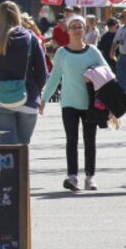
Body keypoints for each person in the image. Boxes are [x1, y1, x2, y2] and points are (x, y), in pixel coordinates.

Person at [41, 15, 109, 191]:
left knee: (89, 140)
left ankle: (90, 176)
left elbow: (107, 73)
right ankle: (72, 176)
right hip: (69, 102)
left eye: (80, 27)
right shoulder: (62, 53)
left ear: (85, 29)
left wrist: (93, 74)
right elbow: (55, 77)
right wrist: (44, 99)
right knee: (71, 139)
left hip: (89, 103)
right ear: (68, 30)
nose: (77, 30)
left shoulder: (93, 51)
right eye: (74, 27)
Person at [0, 1, 47, 145]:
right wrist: (36, 92)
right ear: (17, 16)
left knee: (7, 152)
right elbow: (42, 73)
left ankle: (10, 169)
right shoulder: (30, 38)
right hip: (27, 98)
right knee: (22, 149)